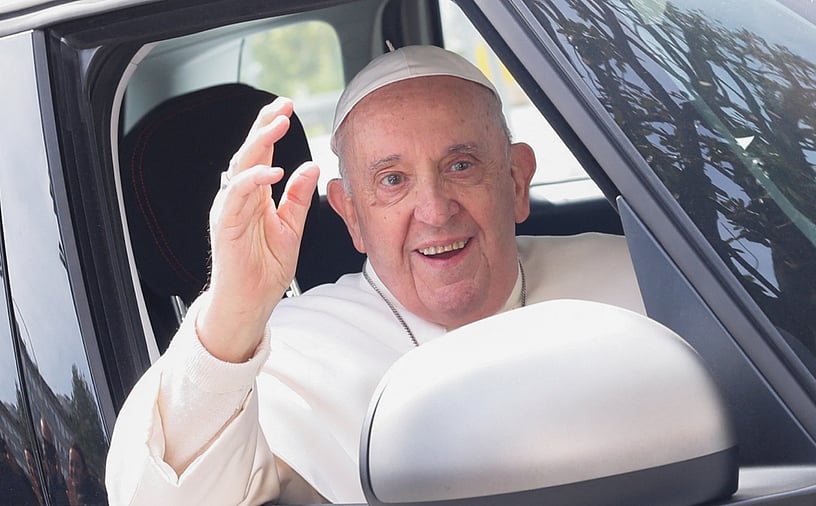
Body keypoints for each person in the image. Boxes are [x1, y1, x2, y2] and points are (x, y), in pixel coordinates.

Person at [106, 45, 645, 504]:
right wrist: (234, 311)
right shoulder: (284, 359)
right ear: (351, 215)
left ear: (516, 179)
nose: (435, 210)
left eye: (461, 165)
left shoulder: (641, 279)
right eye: (392, 180)